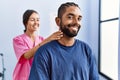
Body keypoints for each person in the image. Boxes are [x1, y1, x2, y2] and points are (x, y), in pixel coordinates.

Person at [29, 2, 99, 80]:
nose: (76, 22)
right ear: (58, 21)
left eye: (79, 18)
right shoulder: (43, 53)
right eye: (70, 17)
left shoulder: (86, 49)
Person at [13, 9, 63, 80]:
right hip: (23, 77)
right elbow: (26, 56)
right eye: (32, 20)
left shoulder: (42, 40)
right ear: (25, 22)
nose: (36, 22)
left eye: (38, 20)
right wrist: (47, 40)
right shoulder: (18, 40)